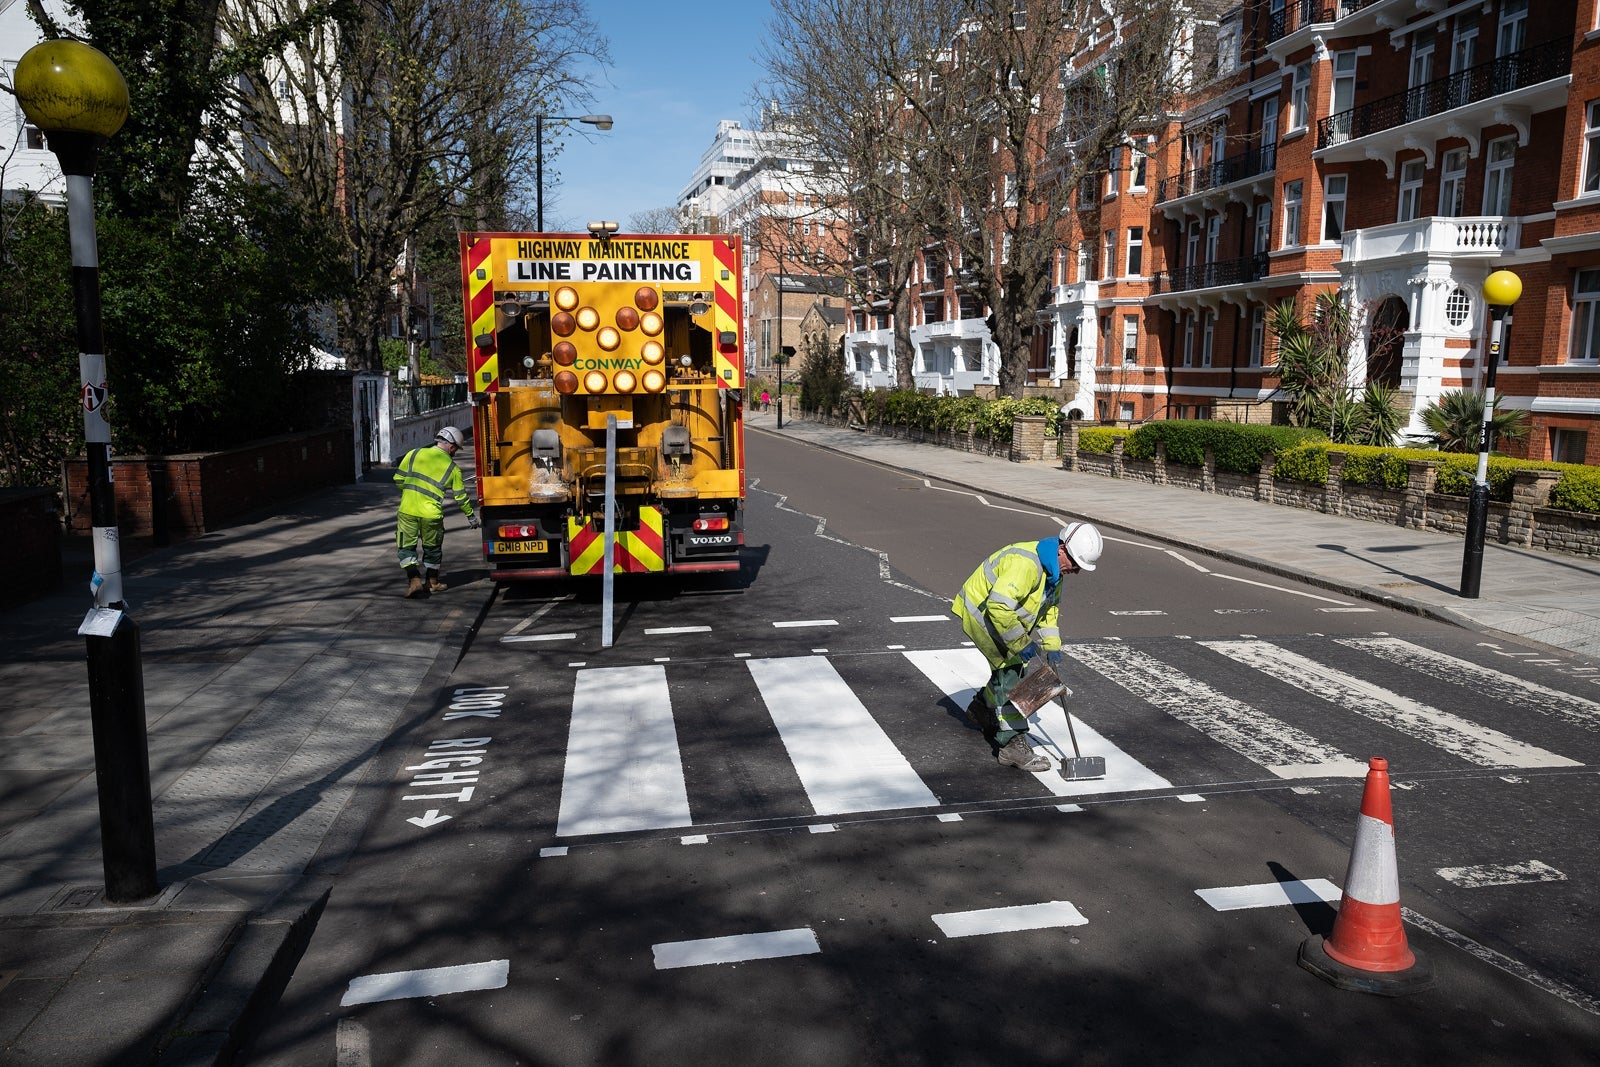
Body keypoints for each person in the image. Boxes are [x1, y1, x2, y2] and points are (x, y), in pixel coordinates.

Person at [953, 522, 1103, 771]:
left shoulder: (1053, 573)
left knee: (1009, 671)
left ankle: (982, 708)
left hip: (1003, 616)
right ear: (1062, 550)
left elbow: (1049, 609)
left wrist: (1051, 645)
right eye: (1076, 564)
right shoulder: (1026, 564)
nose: (1076, 571)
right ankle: (1011, 745)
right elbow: (998, 608)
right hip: (982, 613)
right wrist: (1020, 642)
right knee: (1013, 673)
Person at [394, 426, 479, 598]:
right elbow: (461, 498)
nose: (454, 453)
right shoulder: (453, 468)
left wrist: (412, 493)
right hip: (431, 515)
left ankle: (414, 580)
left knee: (406, 547)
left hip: (407, 510)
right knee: (432, 548)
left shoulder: (413, 454)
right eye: (455, 449)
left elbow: (398, 479)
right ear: (451, 446)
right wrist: (471, 517)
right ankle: (432, 582)